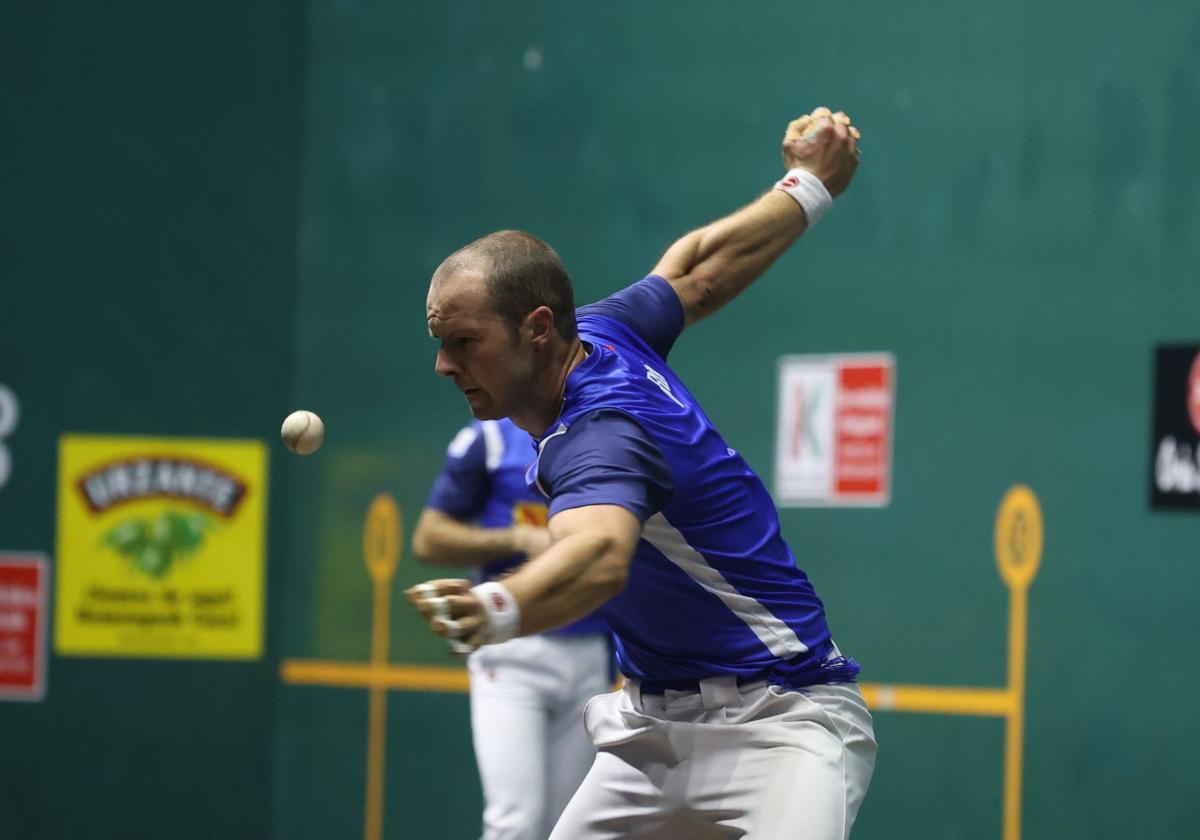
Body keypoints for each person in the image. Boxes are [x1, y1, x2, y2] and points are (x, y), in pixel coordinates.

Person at [408, 106, 875, 839]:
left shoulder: (596, 433)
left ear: (536, 329)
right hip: (649, 734)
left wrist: (500, 607)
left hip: (782, 721)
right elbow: (695, 270)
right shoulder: (602, 330)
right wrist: (808, 186)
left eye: (465, 342)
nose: (445, 365)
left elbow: (596, 558)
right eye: (442, 343)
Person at [412, 416, 612, 840]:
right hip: (511, 652)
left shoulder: (602, 428)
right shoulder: (489, 440)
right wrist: (517, 539)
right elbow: (429, 539)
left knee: (571, 826)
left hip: (590, 651)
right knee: (515, 822)